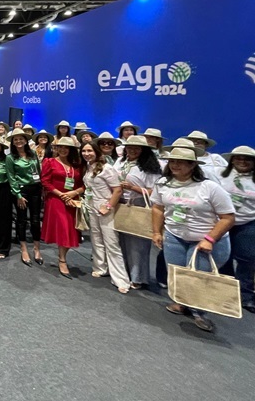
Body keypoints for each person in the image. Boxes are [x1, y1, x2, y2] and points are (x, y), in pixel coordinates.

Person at [151, 147, 236, 332]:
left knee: (198, 277)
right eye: (172, 161)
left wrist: (209, 239)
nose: (175, 165)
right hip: (175, 236)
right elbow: (158, 207)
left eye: (181, 161)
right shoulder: (163, 183)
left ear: (193, 165)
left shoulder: (209, 187)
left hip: (205, 240)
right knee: (177, 274)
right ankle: (183, 304)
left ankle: (200, 313)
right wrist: (156, 232)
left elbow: (228, 217)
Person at [114, 135, 162, 289]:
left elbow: (156, 191)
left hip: (138, 205)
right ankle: (124, 273)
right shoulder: (121, 162)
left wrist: (133, 188)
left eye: (136, 148)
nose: (132, 150)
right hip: (120, 204)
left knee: (138, 245)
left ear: (144, 150)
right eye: (130, 147)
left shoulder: (150, 168)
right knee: (121, 242)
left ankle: (138, 277)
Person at [81, 141, 130, 293]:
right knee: (96, 238)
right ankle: (101, 267)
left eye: (90, 150)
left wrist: (108, 206)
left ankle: (121, 280)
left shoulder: (107, 169)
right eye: (84, 151)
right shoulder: (89, 167)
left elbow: (117, 190)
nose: (86, 153)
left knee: (112, 243)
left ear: (96, 152)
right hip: (92, 205)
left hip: (105, 207)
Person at [217, 146, 255, 313]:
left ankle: (245, 295)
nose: (242, 161)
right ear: (232, 159)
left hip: (247, 223)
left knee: (247, 259)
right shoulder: (219, 175)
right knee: (224, 256)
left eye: (247, 159)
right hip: (222, 222)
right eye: (238, 158)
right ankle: (227, 289)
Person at [41, 137, 85, 279]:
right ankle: (62, 260)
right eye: (60, 147)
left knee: (71, 230)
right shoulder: (50, 162)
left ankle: (63, 256)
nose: (63, 150)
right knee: (63, 228)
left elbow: (84, 184)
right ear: (56, 148)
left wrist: (74, 193)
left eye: (66, 147)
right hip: (56, 199)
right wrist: (62, 195)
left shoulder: (77, 165)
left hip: (73, 200)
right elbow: (45, 182)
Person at [7, 129, 43, 267]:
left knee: (35, 219)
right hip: (21, 191)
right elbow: (11, 177)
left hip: (35, 188)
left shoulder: (32, 154)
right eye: (15, 139)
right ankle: (23, 248)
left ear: (25, 140)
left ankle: (36, 248)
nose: (18, 141)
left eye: (21, 139)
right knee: (21, 220)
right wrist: (18, 195)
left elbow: (38, 172)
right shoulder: (11, 158)